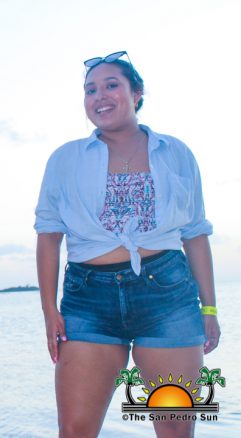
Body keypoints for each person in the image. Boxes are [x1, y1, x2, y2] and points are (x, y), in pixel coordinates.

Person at [35, 51, 221, 438]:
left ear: (137, 93)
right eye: (90, 90)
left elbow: (195, 233)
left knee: (175, 428)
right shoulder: (65, 159)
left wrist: (209, 308)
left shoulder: (176, 152)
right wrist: (49, 310)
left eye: (111, 85)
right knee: (75, 430)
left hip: (167, 296)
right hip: (89, 298)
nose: (99, 96)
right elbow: (49, 236)